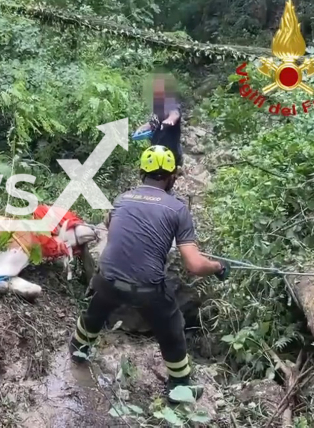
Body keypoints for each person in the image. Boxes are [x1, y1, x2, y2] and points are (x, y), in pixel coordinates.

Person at [69, 145, 230, 402]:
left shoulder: (122, 198)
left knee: (98, 307)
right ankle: (179, 388)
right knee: (172, 327)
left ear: (141, 172)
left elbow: (115, 225)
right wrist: (218, 266)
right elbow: (195, 265)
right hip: (146, 289)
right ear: (172, 176)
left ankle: (78, 350)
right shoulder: (177, 209)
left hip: (106, 278)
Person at [137, 73, 184, 175]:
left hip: (170, 154)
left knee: (166, 181)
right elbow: (153, 123)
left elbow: (174, 114)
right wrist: (142, 128)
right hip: (157, 151)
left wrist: (170, 120)